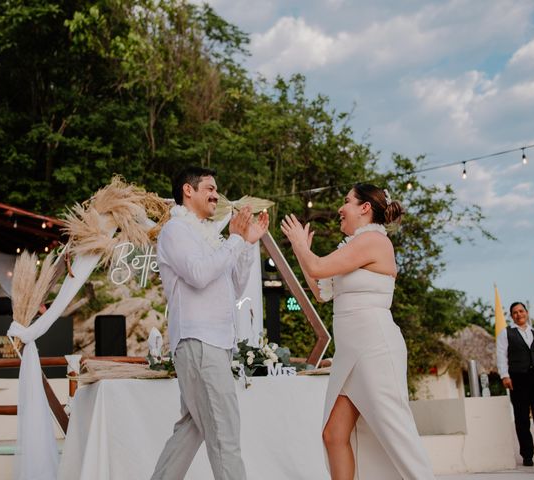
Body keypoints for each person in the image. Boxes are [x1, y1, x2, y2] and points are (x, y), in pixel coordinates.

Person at [281, 183, 434, 480]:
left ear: (365, 208)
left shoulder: (375, 240)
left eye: (347, 201)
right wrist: (303, 251)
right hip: (351, 355)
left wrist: (301, 246)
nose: (341, 208)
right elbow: (320, 291)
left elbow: (317, 268)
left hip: (375, 348)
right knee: (333, 434)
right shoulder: (354, 246)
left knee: (396, 433)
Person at [150, 166, 269, 480]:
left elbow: (235, 286)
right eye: (210, 188)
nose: (216, 195)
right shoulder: (176, 231)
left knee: (191, 431)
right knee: (224, 434)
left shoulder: (208, 236)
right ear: (188, 191)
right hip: (199, 342)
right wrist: (233, 239)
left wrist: (246, 242)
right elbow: (199, 275)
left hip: (213, 344)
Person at [496, 301, 534, 467]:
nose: (519, 314)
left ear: (526, 312)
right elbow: (501, 355)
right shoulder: (506, 333)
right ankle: (527, 456)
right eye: (515, 312)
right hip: (518, 377)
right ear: (512, 316)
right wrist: (504, 375)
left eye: (521, 311)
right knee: (522, 418)